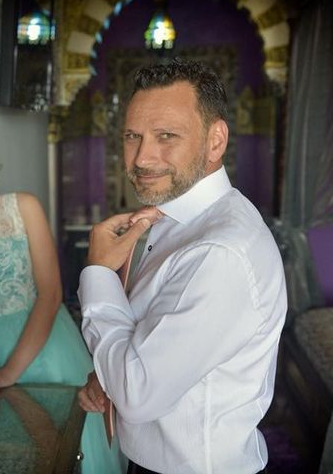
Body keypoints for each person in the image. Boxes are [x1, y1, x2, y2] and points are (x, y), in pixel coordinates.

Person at [77, 58, 287, 474]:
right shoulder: (170, 217)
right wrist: (108, 372)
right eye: (132, 136)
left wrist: (98, 274)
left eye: (166, 136)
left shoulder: (220, 252)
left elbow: (137, 394)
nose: (142, 157)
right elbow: (151, 339)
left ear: (215, 140)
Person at [0, 130, 126, 473]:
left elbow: (50, 294)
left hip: (42, 345)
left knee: (54, 446)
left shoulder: (25, 207)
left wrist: (8, 374)